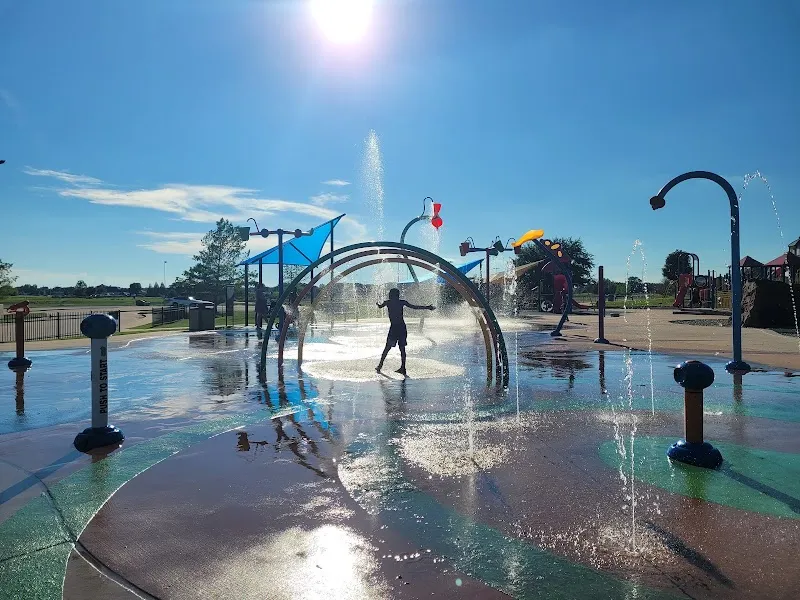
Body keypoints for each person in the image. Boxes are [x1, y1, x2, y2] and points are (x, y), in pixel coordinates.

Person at [375, 288, 434, 375]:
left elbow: (380, 306)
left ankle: (380, 366)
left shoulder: (388, 302)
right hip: (402, 328)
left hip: (394, 328)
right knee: (402, 348)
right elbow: (414, 307)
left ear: (392, 295)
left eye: (390, 294)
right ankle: (402, 368)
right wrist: (427, 307)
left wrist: (378, 304)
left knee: (387, 348)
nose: (389, 295)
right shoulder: (401, 302)